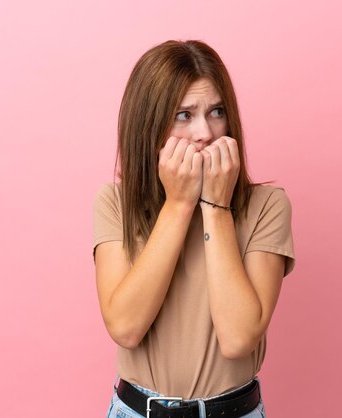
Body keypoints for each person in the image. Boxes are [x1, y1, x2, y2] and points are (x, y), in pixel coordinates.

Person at [93, 39, 295, 418]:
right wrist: (179, 203)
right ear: (149, 128)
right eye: (184, 115)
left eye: (216, 111)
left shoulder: (267, 206)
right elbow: (125, 327)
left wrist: (216, 206)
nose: (205, 132)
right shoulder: (115, 204)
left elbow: (238, 339)